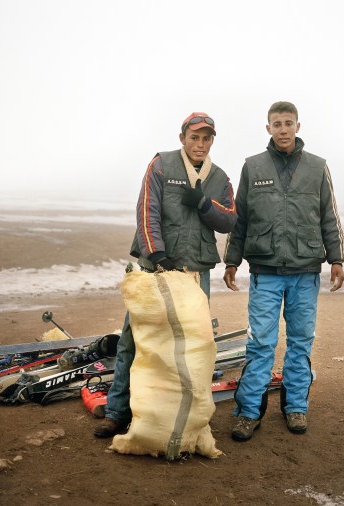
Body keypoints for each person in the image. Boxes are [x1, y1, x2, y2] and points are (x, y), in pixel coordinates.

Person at [94, 112, 237, 438]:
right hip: (155, 268)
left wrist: (204, 204)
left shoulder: (220, 178)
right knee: (135, 338)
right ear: (182, 137)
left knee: (192, 345)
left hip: (195, 273)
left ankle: (181, 416)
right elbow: (147, 210)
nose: (200, 144)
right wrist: (157, 254)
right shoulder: (161, 165)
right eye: (194, 137)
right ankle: (116, 412)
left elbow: (229, 220)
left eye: (206, 138)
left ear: (212, 140)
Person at [223, 101, 344, 442]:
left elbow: (328, 217)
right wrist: (232, 261)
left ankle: (295, 407)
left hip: (306, 271)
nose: (283, 129)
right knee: (261, 342)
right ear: (268, 128)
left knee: (300, 342)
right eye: (276, 123)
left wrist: (337, 259)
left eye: (288, 123)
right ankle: (248, 413)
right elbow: (240, 219)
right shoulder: (253, 166)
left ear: (297, 125)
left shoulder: (318, 167)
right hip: (265, 271)